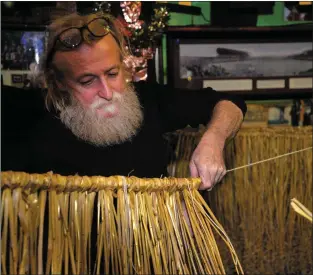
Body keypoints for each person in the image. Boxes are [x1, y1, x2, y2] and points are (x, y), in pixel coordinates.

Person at [2, 11, 246, 191]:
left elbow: (229, 103)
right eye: (87, 81)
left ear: (124, 66)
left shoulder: (150, 99)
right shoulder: (29, 115)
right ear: (60, 83)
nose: (107, 92)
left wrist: (214, 140)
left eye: (112, 74)